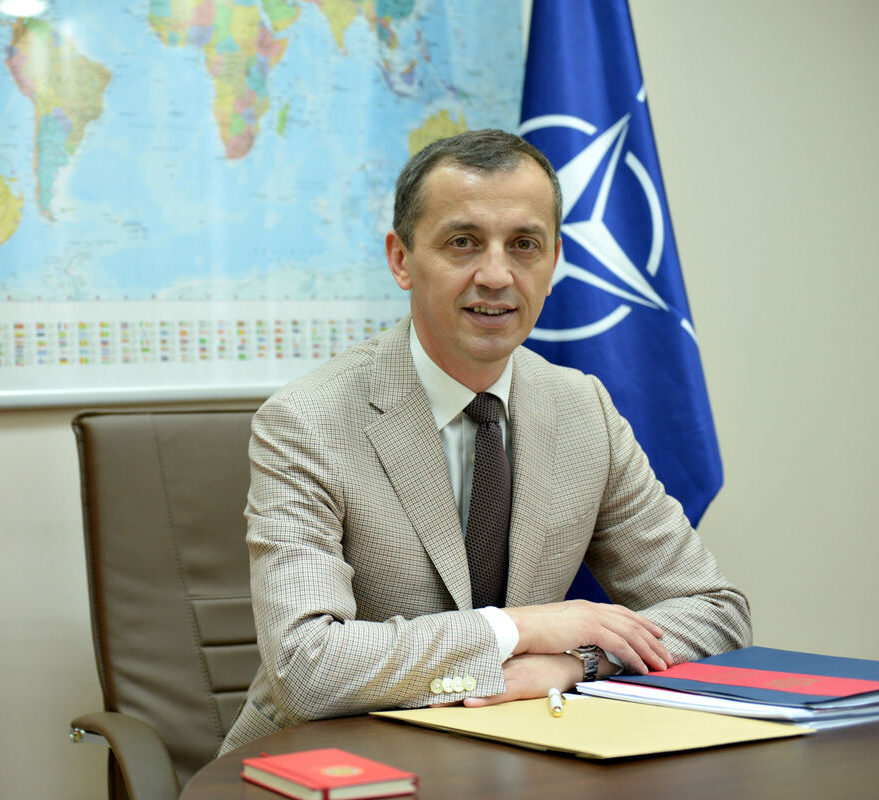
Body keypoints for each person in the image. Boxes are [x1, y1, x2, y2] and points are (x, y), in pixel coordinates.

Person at [219, 129, 750, 753]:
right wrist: (517, 630)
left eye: (524, 245)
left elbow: (716, 612)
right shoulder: (308, 421)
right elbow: (305, 666)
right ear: (400, 259)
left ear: (553, 262)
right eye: (463, 242)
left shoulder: (584, 410)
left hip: (514, 759)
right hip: (327, 764)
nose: (496, 275)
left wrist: (576, 661)